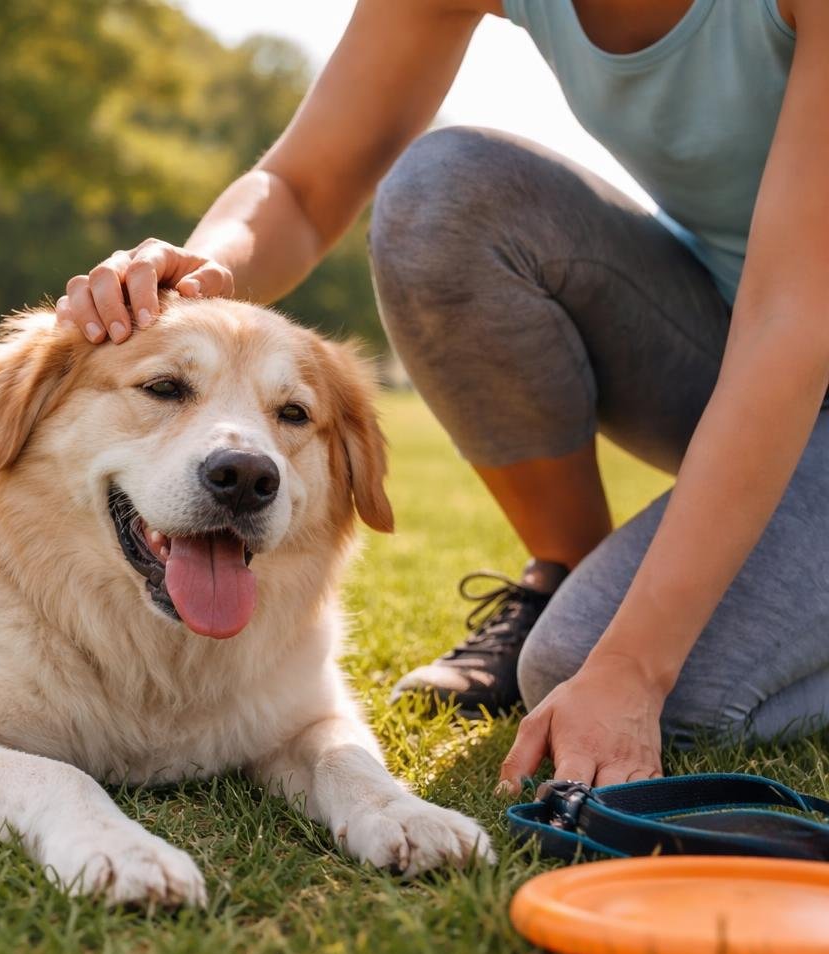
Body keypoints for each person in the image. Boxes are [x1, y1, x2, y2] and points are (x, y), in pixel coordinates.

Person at [56, 0, 829, 791]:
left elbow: (791, 325)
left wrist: (632, 665)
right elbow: (299, 185)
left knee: (615, 669)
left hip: (794, 334)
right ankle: (567, 569)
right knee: (446, 194)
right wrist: (196, 271)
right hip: (734, 330)